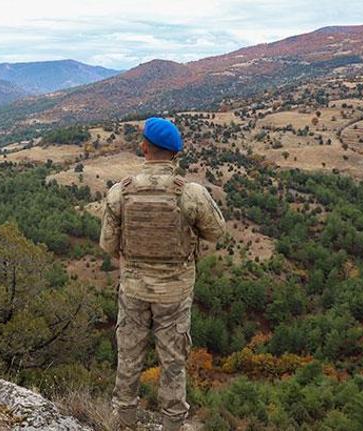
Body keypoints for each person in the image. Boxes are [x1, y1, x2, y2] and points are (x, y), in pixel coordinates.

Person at [100, 118, 226, 431]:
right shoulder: (190, 193)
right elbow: (216, 233)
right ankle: (173, 424)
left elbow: (107, 245)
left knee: (129, 356)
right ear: (175, 154)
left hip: (133, 290)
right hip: (174, 294)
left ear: (144, 147)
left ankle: (124, 419)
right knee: (173, 362)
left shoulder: (121, 193)